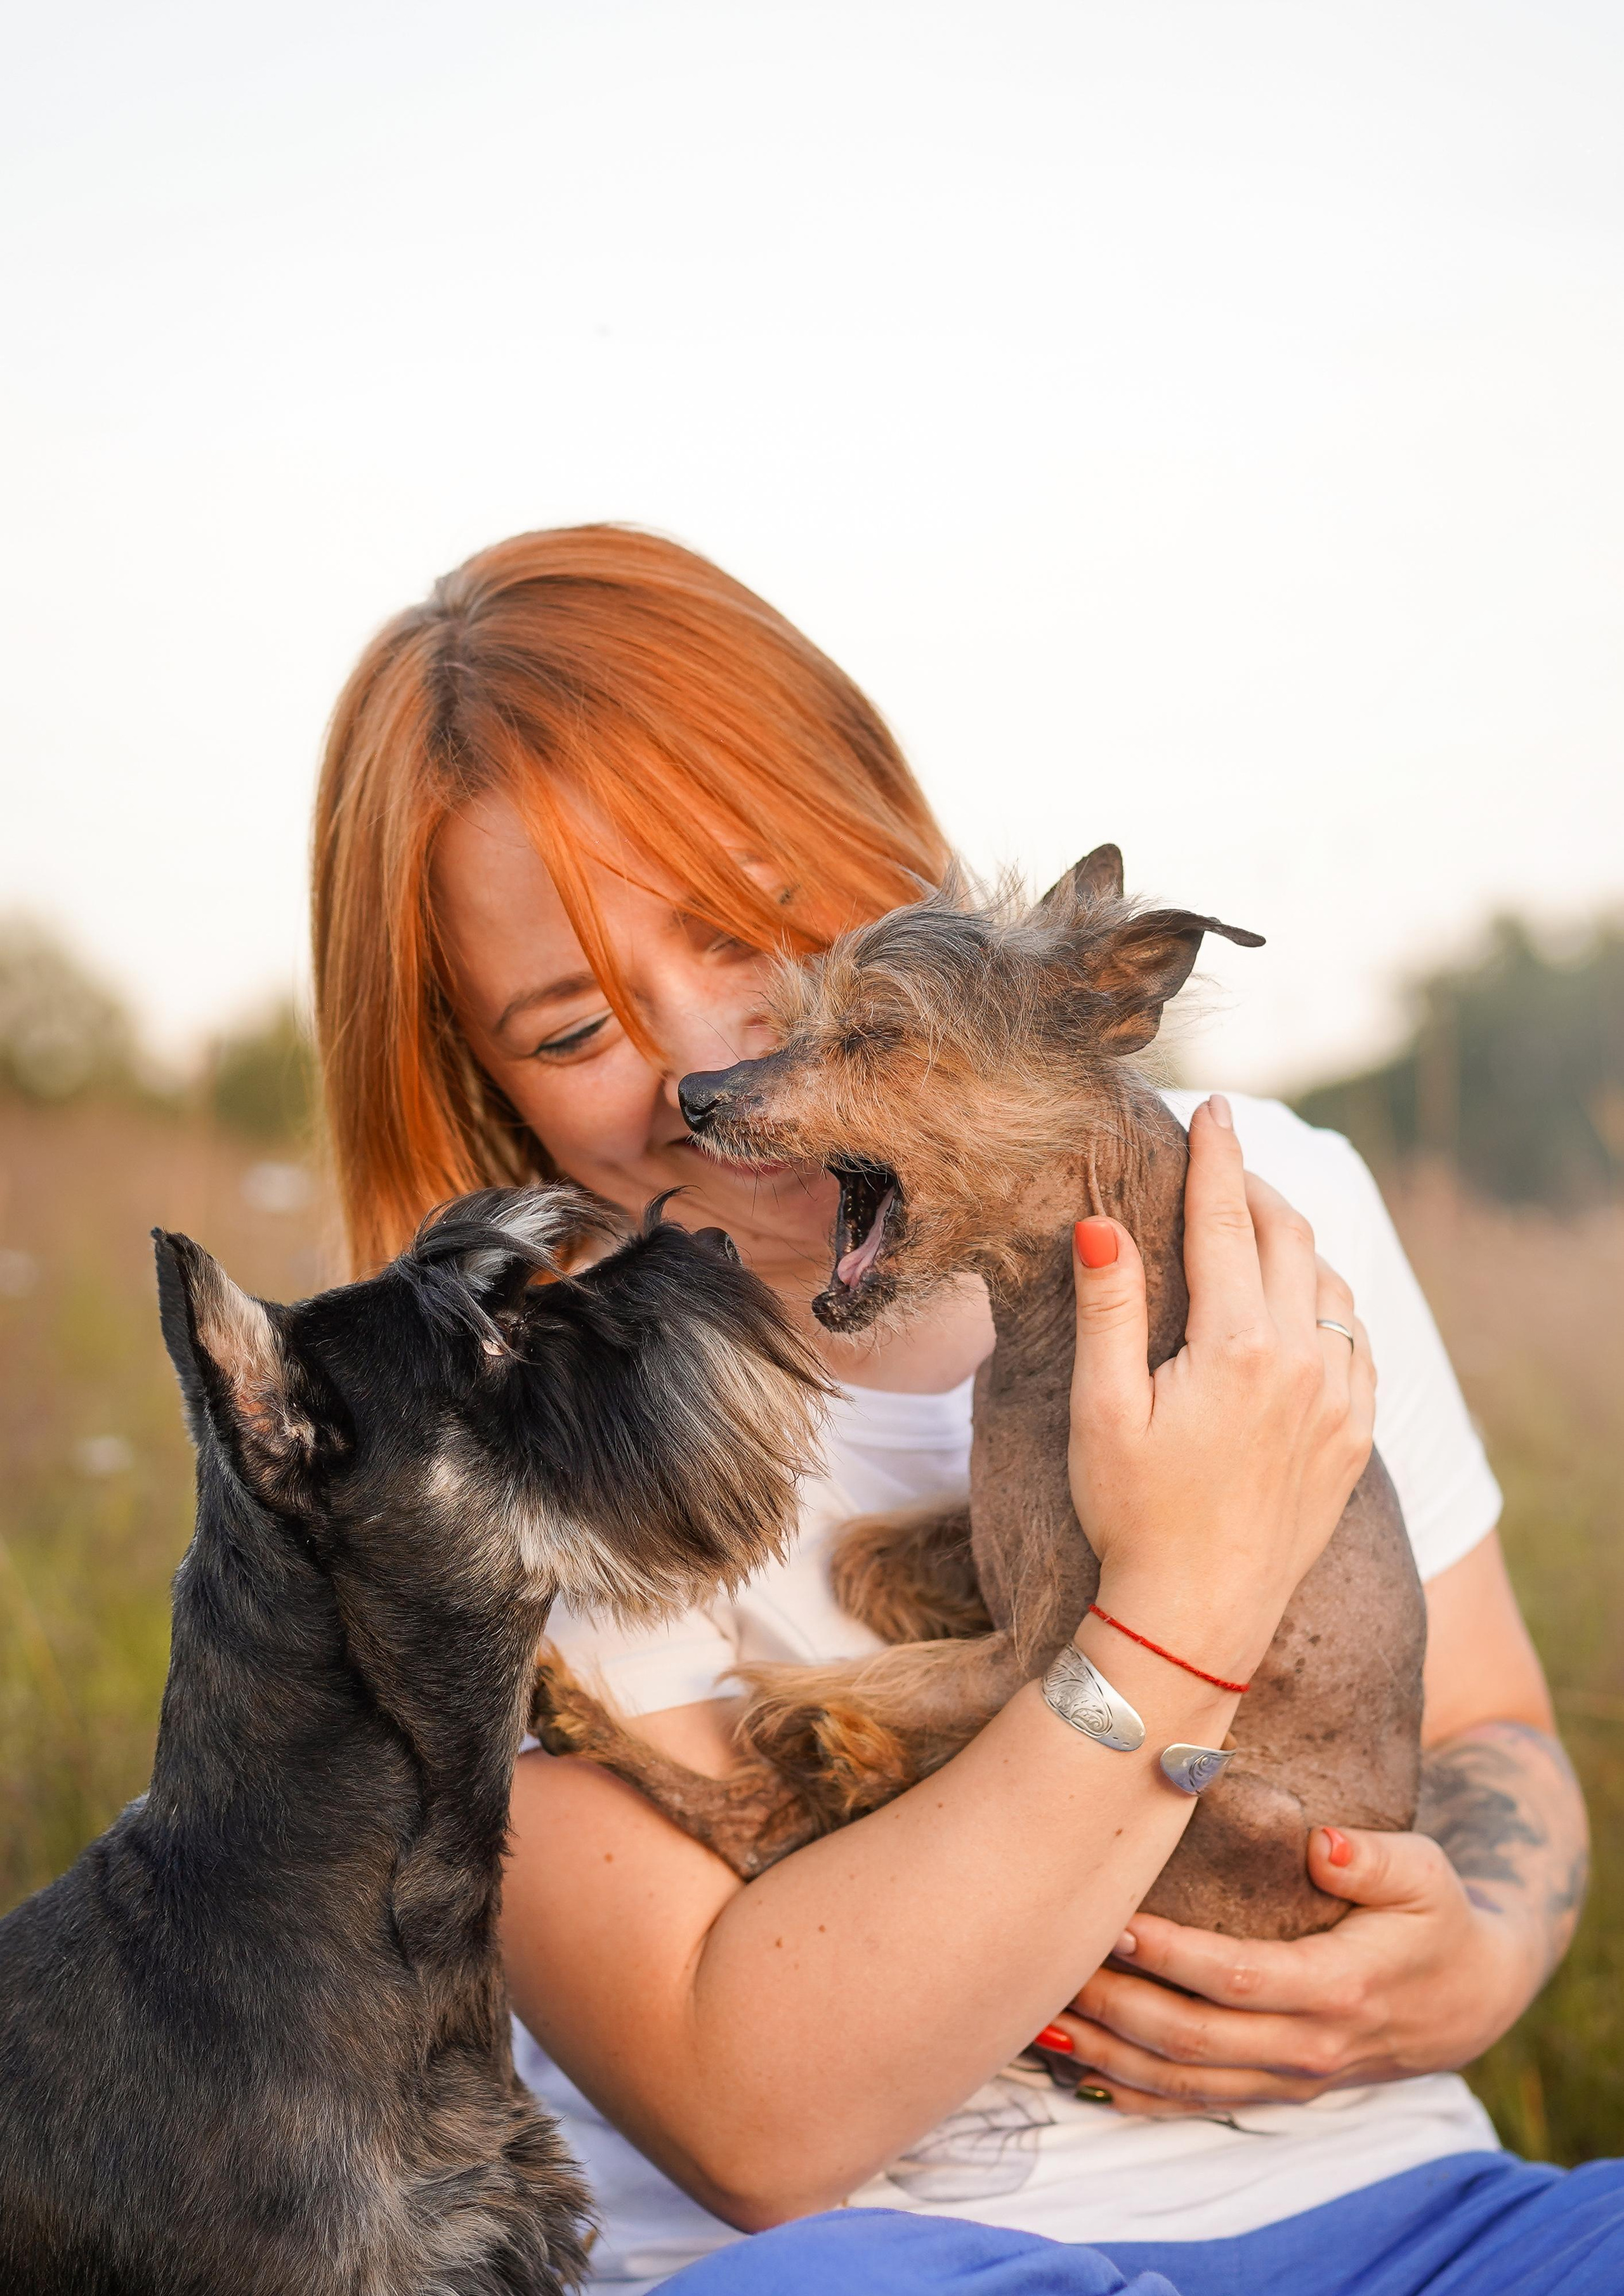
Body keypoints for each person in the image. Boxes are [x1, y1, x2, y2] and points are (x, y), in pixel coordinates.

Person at [311, 526, 1612, 2295]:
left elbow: (1489, 1730)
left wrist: (1478, 1962)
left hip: (1417, 2214)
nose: (704, 1060)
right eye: (570, 1031)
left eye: (746, 923)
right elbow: (757, 2122)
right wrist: (1180, 1602)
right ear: (470, 1074)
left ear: (888, 843)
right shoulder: (470, 1441)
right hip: (892, 2256)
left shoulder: (1267, 1206)